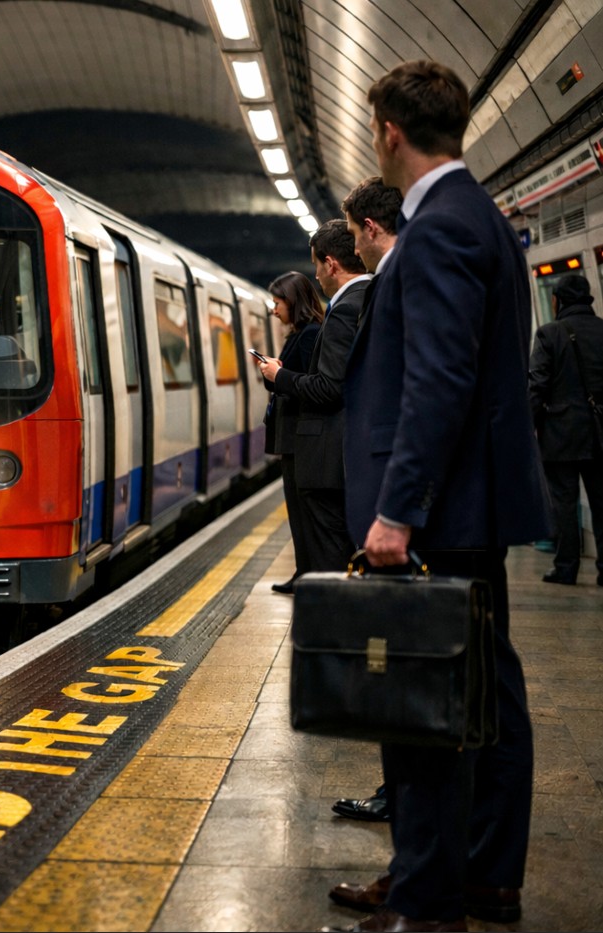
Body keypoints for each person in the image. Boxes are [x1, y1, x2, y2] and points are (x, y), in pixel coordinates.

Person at [330, 60, 550, 932]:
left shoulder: (439, 230)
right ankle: (480, 875)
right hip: (472, 509)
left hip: (441, 515)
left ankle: (426, 900)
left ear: (388, 131)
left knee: (421, 710)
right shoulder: (480, 219)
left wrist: (396, 510)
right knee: (485, 699)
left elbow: (438, 381)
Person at [328, 175, 403, 826]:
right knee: (395, 662)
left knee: (399, 661)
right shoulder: (389, 279)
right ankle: (402, 803)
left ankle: (407, 810)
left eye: (354, 233)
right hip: (389, 503)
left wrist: (395, 512)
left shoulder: (401, 276)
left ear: (371, 228)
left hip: (401, 513)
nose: (354, 247)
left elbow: (425, 396)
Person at [258, 220, 367, 579]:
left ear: (331, 263)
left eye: (317, 265)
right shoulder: (369, 298)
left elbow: (329, 388)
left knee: (329, 557)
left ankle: (334, 629)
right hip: (348, 453)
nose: (316, 275)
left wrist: (280, 377)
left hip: (326, 457)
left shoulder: (345, 309)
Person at [528, 273, 603, 585]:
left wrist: (529, 427)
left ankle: (566, 567)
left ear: (556, 300)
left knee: (564, 503)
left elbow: (536, 387)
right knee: (602, 502)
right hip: (599, 433)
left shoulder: (549, 334)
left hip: (560, 436)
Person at [263, 271, 323, 594]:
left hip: (301, 435)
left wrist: (279, 373)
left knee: (302, 510)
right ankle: (303, 571)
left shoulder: (311, 334)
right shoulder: (299, 334)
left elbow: (307, 383)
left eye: (277, 302)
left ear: (292, 300)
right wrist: (272, 371)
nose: (274, 309)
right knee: (296, 510)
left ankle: (308, 574)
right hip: (291, 434)